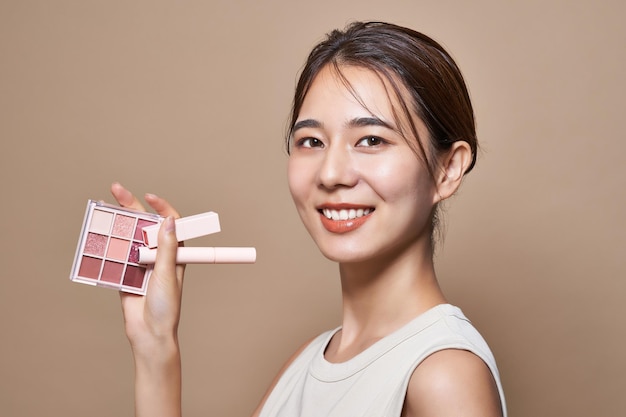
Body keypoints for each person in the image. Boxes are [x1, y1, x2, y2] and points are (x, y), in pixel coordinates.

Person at [111, 21, 507, 417]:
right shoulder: (307, 363)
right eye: (311, 142)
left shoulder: (445, 376)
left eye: (371, 140)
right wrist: (154, 346)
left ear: (448, 169)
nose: (331, 174)